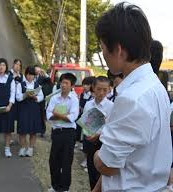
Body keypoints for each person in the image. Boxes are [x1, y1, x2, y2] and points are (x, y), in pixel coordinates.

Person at [93, 3, 172, 192]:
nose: (103, 54)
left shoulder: (132, 98)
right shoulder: (155, 85)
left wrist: (98, 154)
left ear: (118, 50)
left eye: (103, 47)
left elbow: (107, 165)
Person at [46, 73, 79, 192]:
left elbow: (72, 117)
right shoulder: (55, 98)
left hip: (69, 133)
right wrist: (62, 116)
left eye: (66, 83)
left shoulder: (74, 99)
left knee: (66, 161)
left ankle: (64, 188)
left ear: (71, 86)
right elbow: (48, 115)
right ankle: (55, 186)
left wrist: (57, 114)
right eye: (62, 82)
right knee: (53, 160)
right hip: (56, 132)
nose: (63, 85)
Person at [82, 76, 113, 190]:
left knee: (101, 174)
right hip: (90, 141)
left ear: (109, 89)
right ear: (93, 88)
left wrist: (98, 135)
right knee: (91, 172)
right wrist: (88, 134)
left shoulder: (111, 106)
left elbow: (111, 127)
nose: (101, 92)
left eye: (105, 90)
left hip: (103, 143)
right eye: (99, 89)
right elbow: (86, 123)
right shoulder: (88, 104)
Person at [16, 66, 44, 157]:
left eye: (32, 75)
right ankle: (23, 148)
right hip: (23, 108)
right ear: (25, 74)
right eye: (28, 74)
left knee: (33, 130)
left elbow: (41, 97)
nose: (30, 76)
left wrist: (36, 97)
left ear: (34, 76)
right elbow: (18, 97)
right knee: (22, 129)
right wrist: (25, 95)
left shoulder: (37, 86)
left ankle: (30, 148)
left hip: (34, 109)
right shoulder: (20, 85)